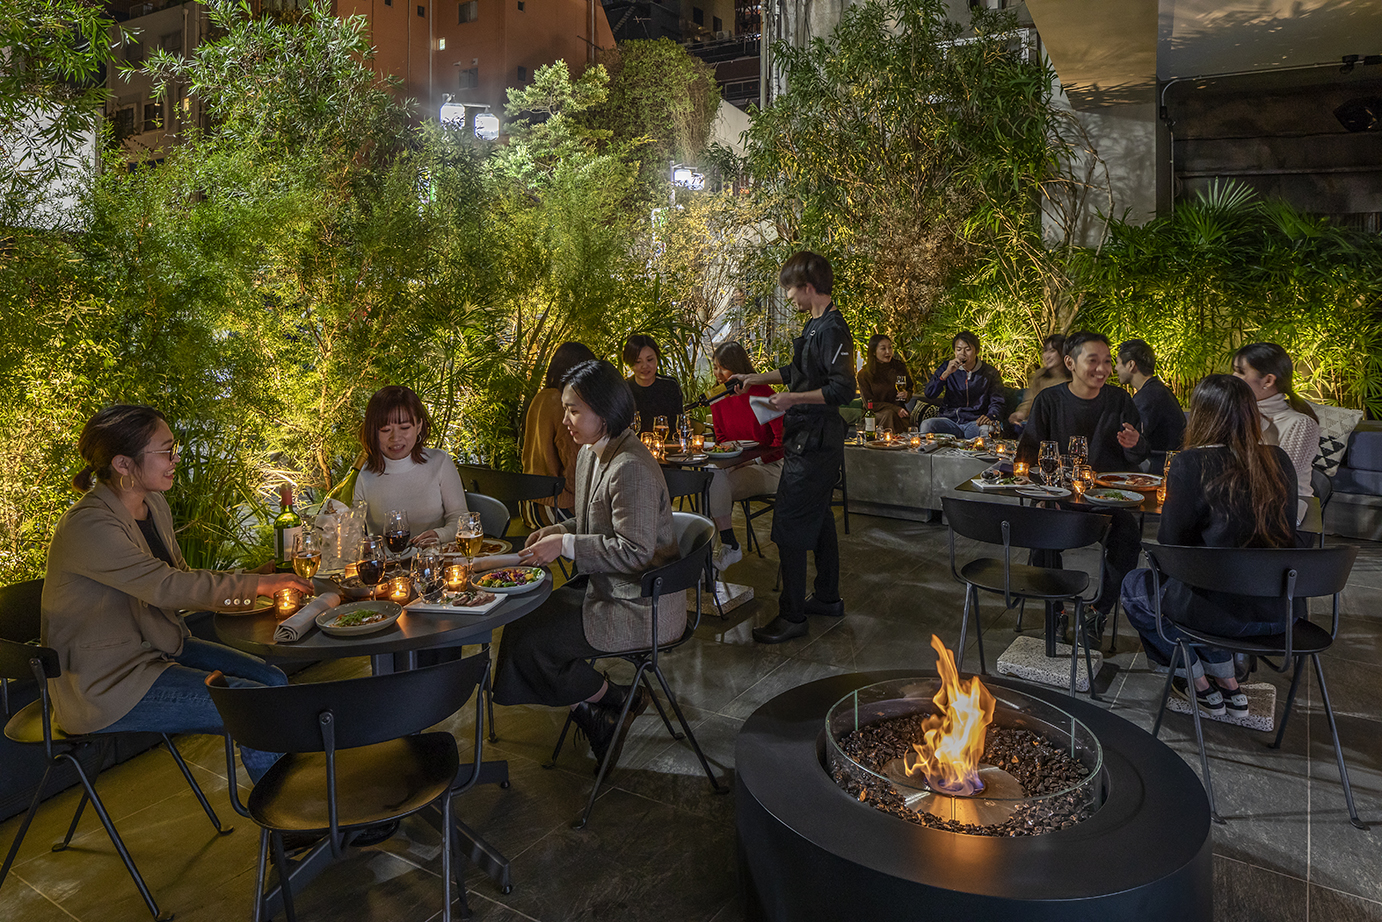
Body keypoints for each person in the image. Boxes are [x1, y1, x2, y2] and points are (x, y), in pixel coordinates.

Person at [41, 405, 310, 782]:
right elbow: (168, 588)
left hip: (160, 648)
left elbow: (178, 575)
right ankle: (291, 824)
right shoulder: (88, 525)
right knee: (255, 706)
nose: (176, 459)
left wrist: (254, 577)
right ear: (123, 464)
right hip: (108, 684)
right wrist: (260, 587)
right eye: (166, 451)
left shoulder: (153, 504)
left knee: (274, 681)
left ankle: (299, 797)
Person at [494, 359, 680, 771]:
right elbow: (598, 520)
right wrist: (557, 532)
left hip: (641, 603)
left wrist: (567, 543)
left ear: (606, 409)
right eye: (566, 409)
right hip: (608, 588)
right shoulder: (591, 455)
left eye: (574, 410)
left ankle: (610, 700)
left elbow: (634, 549)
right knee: (520, 624)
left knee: (532, 644)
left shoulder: (629, 466)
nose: (565, 420)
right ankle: (606, 704)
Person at [1120, 374, 1297, 718]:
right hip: (1278, 615)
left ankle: (1197, 683)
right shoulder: (1279, 460)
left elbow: (1172, 547)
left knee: (1136, 587)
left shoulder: (1191, 463)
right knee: (1198, 591)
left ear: (1201, 415)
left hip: (1217, 616)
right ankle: (1228, 682)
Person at [726, 252, 855, 644]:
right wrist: (753, 377)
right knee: (818, 522)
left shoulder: (833, 328)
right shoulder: (815, 325)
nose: (789, 298)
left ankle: (793, 615)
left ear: (809, 287)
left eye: (791, 290)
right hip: (808, 439)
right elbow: (795, 372)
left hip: (815, 443)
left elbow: (842, 390)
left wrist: (791, 401)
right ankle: (828, 597)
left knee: (789, 526)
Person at [1018, 331, 1149, 638]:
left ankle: (1097, 613)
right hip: (1061, 497)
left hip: (1107, 501)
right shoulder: (1049, 400)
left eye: (1106, 361)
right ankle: (1057, 609)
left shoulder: (1119, 400)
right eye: (1093, 361)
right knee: (1040, 529)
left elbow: (1137, 454)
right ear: (1071, 363)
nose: (1102, 369)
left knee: (1128, 535)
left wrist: (1136, 443)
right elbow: (1029, 452)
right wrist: (1038, 491)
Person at [353, 385, 468, 547]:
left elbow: (460, 517)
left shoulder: (439, 461)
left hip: (435, 560)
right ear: (373, 431)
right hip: (388, 566)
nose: (396, 438)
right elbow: (350, 529)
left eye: (405, 428)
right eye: (386, 430)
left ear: (419, 426)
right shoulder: (363, 473)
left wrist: (439, 534)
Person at [705, 341, 785, 570]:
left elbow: (781, 442)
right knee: (709, 478)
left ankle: (727, 547)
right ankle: (709, 554)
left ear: (738, 368)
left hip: (770, 465)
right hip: (735, 462)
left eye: (723, 368)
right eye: (715, 367)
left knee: (717, 486)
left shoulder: (760, 394)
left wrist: (754, 460)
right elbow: (721, 439)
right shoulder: (718, 397)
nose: (718, 374)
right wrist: (731, 459)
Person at [1232, 342, 1319, 527]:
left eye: (1240, 372)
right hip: (1242, 508)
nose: (1233, 378)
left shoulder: (1300, 424)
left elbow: (1280, 484)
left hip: (1285, 518)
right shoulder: (1239, 415)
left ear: (1268, 380)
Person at [523, 341, 597, 524]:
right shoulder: (564, 405)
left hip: (527, 504)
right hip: (556, 506)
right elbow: (574, 467)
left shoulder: (540, 397)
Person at [918, 331, 1004, 439]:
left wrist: (990, 416)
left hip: (975, 423)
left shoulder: (989, 373)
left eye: (967, 349)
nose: (962, 353)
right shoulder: (947, 367)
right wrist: (946, 374)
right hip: (950, 421)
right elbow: (929, 394)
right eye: (958, 349)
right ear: (954, 352)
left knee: (988, 430)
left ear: (976, 351)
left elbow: (997, 401)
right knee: (927, 425)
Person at [1116, 338, 1185, 452]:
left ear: (1131, 365)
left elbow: (1134, 439)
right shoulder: (1157, 391)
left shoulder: (1148, 397)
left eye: (1118, 363)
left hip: (1158, 466)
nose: (1115, 368)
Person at [623, 334, 683, 434]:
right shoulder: (624, 389)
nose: (644, 366)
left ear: (657, 358)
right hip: (632, 448)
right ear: (630, 364)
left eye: (650, 360)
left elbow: (678, 425)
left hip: (667, 447)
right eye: (638, 361)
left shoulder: (670, 386)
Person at [1008, 333, 1070, 429]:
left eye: (1052, 351)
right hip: (1041, 425)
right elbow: (1030, 401)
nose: (1047, 356)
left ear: (1063, 353)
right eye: (1045, 351)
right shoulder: (1039, 375)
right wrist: (1020, 413)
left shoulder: (1074, 377)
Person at [855, 333, 914, 431]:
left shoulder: (899, 367)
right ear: (874, 352)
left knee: (891, 415)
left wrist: (906, 394)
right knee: (888, 414)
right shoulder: (864, 374)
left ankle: (886, 442)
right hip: (874, 416)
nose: (888, 352)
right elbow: (870, 404)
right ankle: (885, 443)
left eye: (890, 348)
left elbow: (910, 388)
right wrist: (895, 409)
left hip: (900, 414)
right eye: (883, 348)